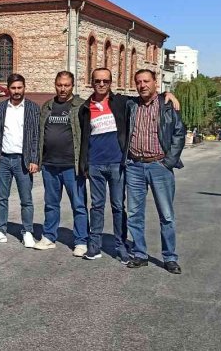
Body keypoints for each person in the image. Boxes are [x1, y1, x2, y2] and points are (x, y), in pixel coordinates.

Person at [124, 69, 185, 274]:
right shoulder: (131, 105)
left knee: (166, 215)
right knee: (134, 213)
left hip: (159, 165)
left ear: (155, 82)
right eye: (139, 82)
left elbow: (179, 133)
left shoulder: (166, 105)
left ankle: (169, 257)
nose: (142, 85)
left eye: (146, 81)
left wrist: (168, 162)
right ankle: (140, 254)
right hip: (134, 166)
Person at [77, 68, 131, 262]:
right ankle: (94, 246)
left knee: (118, 206)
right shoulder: (85, 108)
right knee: (97, 206)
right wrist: (84, 164)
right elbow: (84, 138)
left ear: (111, 83)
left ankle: (121, 245)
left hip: (117, 164)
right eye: (98, 81)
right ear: (92, 82)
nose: (101, 84)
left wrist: (167, 94)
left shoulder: (121, 102)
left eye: (105, 81)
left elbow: (146, 99)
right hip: (95, 165)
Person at [34, 71, 88, 256]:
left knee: (79, 204)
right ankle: (49, 236)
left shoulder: (80, 106)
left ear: (72, 85)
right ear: (55, 85)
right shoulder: (48, 106)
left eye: (66, 85)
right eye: (59, 85)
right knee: (51, 203)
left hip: (71, 166)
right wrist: (38, 159)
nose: (62, 89)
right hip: (50, 164)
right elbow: (40, 134)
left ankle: (81, 240)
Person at [0, 74, 40, 248]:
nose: (16, 91)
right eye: (13, 88)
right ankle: (1, 230)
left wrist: (34, 159)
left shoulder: (32, 108)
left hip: (23, 160)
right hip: (3, 159)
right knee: (2, 198)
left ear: (24, 88)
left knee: (26, 199)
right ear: (8, 89)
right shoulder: (1, 108)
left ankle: (28, 231)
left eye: (19, 88)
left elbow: (36, 136)